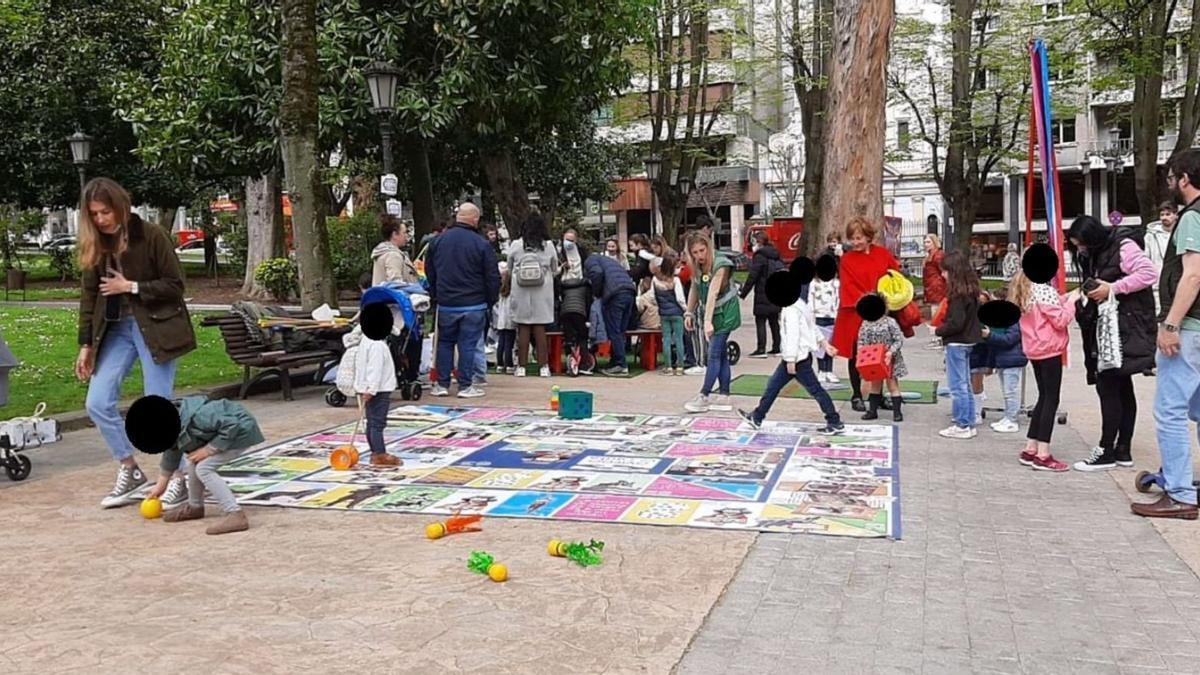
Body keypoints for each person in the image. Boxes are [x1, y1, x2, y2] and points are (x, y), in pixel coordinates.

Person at [75, 178, 196, 509]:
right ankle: (129, 468)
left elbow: (175, 285)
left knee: (156, 408)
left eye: (105, 212)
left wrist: (131, 287)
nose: (101, 219)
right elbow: (89, 297)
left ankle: (182, 478)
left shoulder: (151, 235)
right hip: (115, 332)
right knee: (97, 403)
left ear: (120, 206)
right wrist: (86, 344)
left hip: (156, 328)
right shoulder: (95, 243)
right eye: (94, 215)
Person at [1133, 150, 1200, 518]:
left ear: (1185, 179)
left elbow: (1192, 275)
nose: (1170, 184)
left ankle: (1179, 493)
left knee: (1170, 411)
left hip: (1189, 328)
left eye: (1173, 177)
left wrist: (1170, 323)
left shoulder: (1191, 218)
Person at [1062, 215, 1157, 471]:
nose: (1080, 249)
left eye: (1082, 244)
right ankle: (1123, 450)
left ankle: (1106, 449)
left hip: (1122, 328)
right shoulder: (1093, 255)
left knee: (1109, 386)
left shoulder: (1123, 246)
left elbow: (1148, 274)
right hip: (1108, 326)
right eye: (1076, 246)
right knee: (1122, 386)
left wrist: (1113, 288)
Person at [129, 394, 263, 535]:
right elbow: (172, 452)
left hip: (241, 432)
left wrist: (209, 449)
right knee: (195, 462)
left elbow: (232, 425)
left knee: (204, 468)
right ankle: (195, 507)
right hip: (224, 434)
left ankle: (235, 513)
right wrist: (160, 486)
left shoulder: (201, 416)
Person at [737, 260, 844, 434]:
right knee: (773, 386)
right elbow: (812, 328)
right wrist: (825, 344)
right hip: (796, 357)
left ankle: (834, 421)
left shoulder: (791, 309)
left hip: (797, 359)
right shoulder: (800, 305)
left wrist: (791, 360)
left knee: (815, 390)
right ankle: (757, 416)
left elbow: (793, 335)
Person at [1012, 245, 1078, 473]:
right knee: (1051, 399)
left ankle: (1031, 447)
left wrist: (1065, 297)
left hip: (1034, 349)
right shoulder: (1044, 289)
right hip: (1050, 348)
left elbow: (1045, 308)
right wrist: (1072, 302)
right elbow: (1060, 320)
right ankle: (1043, 453)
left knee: (1043, 397)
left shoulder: (1025, 288)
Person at [426, 203, 500, 398]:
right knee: (467, 344)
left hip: (447, 302)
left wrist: (436, 294)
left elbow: (430, 272)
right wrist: (490, 301)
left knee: (445, 343)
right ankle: (465, 385)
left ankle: (442, 384)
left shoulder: (438, 241)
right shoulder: (481, 244)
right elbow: (492, 276)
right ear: (474, 219)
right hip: (474, 302)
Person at [830, 217, 902, 412]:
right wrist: (869, 303)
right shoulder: (847, 259)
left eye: (859, 238)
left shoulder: (883, 254)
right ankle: (856, 394)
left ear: (869, 236)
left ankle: (878, 395)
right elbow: (849, 286)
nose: (855, 242)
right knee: (857, 355)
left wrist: (887, 301)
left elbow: (895, 278)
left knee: (883, 353)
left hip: (882, 311)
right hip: (857, 313)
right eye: (852, 238)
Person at [683, 233, 741, 413]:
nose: (700, 255)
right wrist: (689, 312)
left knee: (713, 354)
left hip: (726, 313)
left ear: (708, 247)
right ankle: (724, 395)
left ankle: (704, 394)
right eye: (695, 252)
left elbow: (713, 293)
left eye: (702, 250)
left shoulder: (721, 264)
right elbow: (695, 288)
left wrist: (707, 321)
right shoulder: (697, 267)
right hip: (713, 313)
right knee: (721, 354)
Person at [935, 251, 984, 439]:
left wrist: (938, 331)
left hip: (957, 342)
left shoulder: (957, 294)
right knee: (965, 384)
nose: (943, 275)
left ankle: (963, 423)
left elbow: (956, 323)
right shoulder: (971, 290)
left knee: (957, 385)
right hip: (969, 340)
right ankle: (968, 421)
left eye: (945, 272)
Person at [507, 214, 560, 378]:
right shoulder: (548, 245)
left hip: (521, 289)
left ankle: (521, 367)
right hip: (542, 289)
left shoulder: (516, 244)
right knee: (540, 328)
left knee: (523, 327)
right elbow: (555, 268)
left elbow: (509, 267)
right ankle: (543, 367)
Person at [354, 303, 403, 467]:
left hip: (369, 387)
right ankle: (379, 454)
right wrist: (371, 389)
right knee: (377, 423)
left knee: (371, 421)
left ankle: (375, 451)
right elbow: (374, 369)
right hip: (378, 389)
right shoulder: (376, 345)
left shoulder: (366, 340)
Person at [585, 243, 638, 375]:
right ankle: (616, 361)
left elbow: (597, 273)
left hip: (615, 294)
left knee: (614, 329)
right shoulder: (607, 260)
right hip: (629, 291)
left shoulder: (590, 260)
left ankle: (620, 364)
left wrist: (596, 293)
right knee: (620, 330)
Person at [856, 293, 907, 422]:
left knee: (892, 385)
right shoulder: (865, 323)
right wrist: (861, 354)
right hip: (872, 360)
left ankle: (897, 412)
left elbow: (898, 339)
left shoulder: (890, 322)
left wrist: (891, 352)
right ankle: (872, 411)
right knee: (875, 385)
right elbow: (861, 341)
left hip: (890, 358)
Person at [979, 297, 1026, 434]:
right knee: (1007, 391)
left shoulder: (1014, 322)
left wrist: (989, 336)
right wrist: (990, 364)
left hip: (1012, 359)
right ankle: (1008, 416)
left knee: (1010, 391)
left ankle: (1012, 419)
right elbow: (995, 346)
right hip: (1004, 360)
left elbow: (1008, 340)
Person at [741, 231, 784, 358]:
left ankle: (761, 349)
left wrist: (744, 292)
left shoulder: (759, 256)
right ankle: (777, 347)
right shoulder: (775, 254)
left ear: (758, 242)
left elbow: (753, 276)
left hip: (762, 292)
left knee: (760, 320)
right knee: (774, 320)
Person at [559, 237, 595, 376]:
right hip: (579, 312)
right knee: (582, 337)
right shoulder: (584, 285)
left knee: (569, 337)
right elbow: (587, 302)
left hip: (565, 312)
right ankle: (585, 363)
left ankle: (570, 354)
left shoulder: (564, 285)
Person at [652, 254, 688, 375]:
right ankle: (680, 367)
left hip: (663, 314)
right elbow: (680, 299)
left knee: (666, 339)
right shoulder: (675, 281)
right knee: (678, 339)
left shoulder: (655, 280)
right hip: (677, 314)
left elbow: (652, 297)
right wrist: (686, 310)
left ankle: (667, 366)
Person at [811, 253, 840, 384]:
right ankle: (821, 370)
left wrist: (838, 315)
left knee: (831, 345)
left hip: (832, 317)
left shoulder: (836, 283)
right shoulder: (814, 283)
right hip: (818, 317)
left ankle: (829, 371)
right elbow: (810, 300)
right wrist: (811, 316)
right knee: (820, 345)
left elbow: (838, 299)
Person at [1146, 201, 1179, 316]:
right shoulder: (1150, 236)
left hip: (1178, 285)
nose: (1164, 217)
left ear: (1176, 215)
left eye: (1168, 214)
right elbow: (1146, 260)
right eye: (1162, 214)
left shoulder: (1181, 233)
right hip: (1157, 286)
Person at [371, 215, 419, 286]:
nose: (407, 235)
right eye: (404, 232)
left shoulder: (383, 252)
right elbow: (396, 284)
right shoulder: (393, 255)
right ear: (394, 235)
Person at [923, 234, 947, 349]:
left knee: (937, 312)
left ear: (934, 242)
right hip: (933, 286)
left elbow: (943, 270)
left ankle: (938, 337)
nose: (925, 244)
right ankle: (937, 336)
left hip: (937, 286)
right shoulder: (932, 255)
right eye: (925, 242)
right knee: (936, 311)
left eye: (928, 242)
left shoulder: (937, 255)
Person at [494, 270, 516, 374]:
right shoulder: (513, 294)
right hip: (510, 322)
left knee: (501, 344)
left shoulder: (501, 293)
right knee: (509, 345)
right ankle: (509, 365)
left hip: (500, 322)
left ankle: (499, 364)